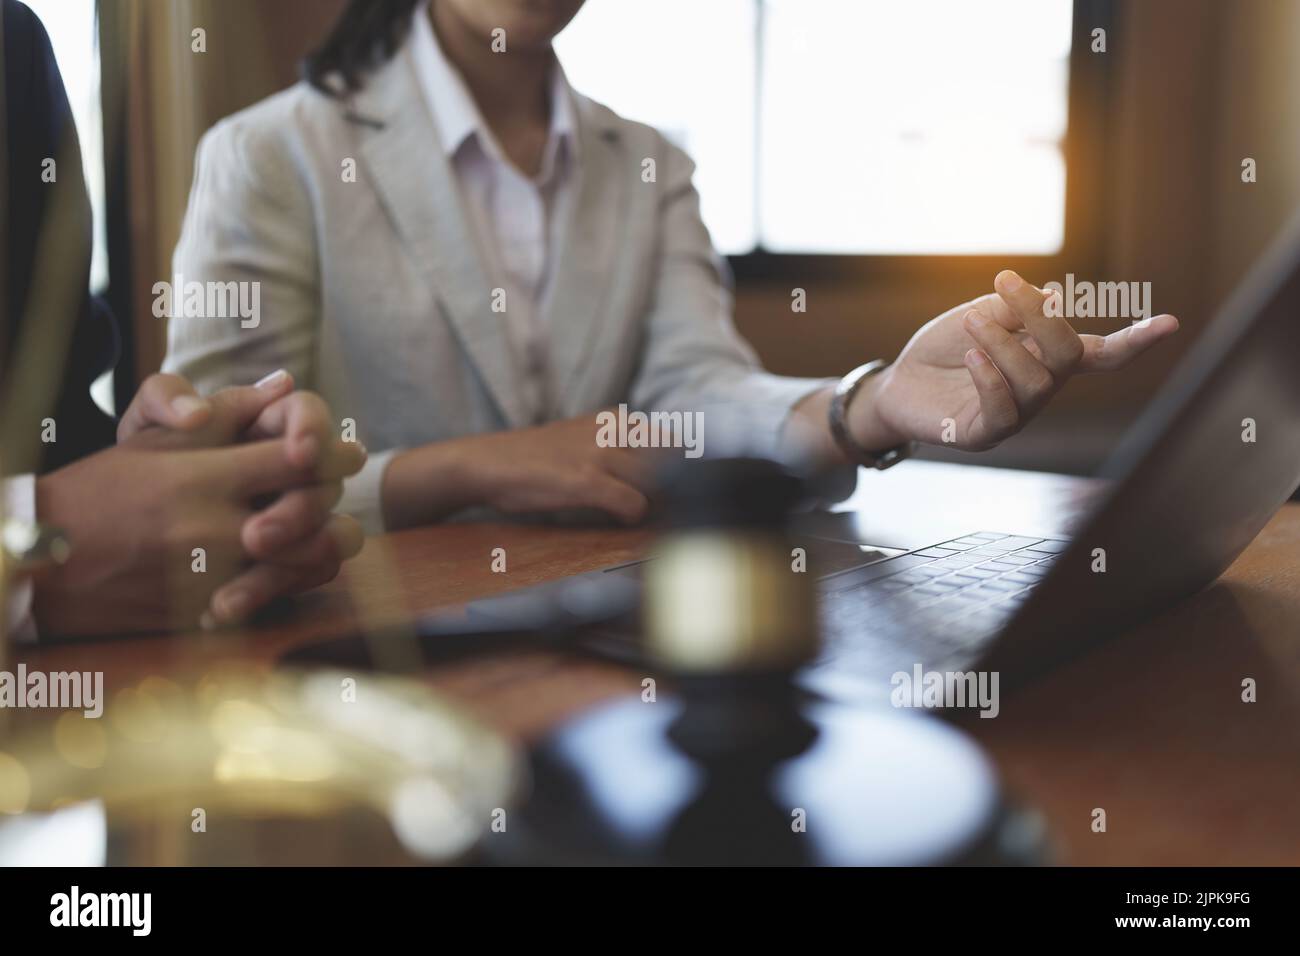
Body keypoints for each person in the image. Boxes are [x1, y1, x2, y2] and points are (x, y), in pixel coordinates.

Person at [163, 0, 1180, 535]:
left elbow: (697, 397)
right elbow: (214, 494)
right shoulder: (269, 157)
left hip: (603, 648)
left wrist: (869, 403)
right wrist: (468, 468)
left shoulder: (650, 165)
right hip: (356, 675)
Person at [1, 0, 364, 637]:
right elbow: (58, 521)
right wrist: (35, 544)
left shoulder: (9, 40)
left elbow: (53, 417)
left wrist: (197, 483)